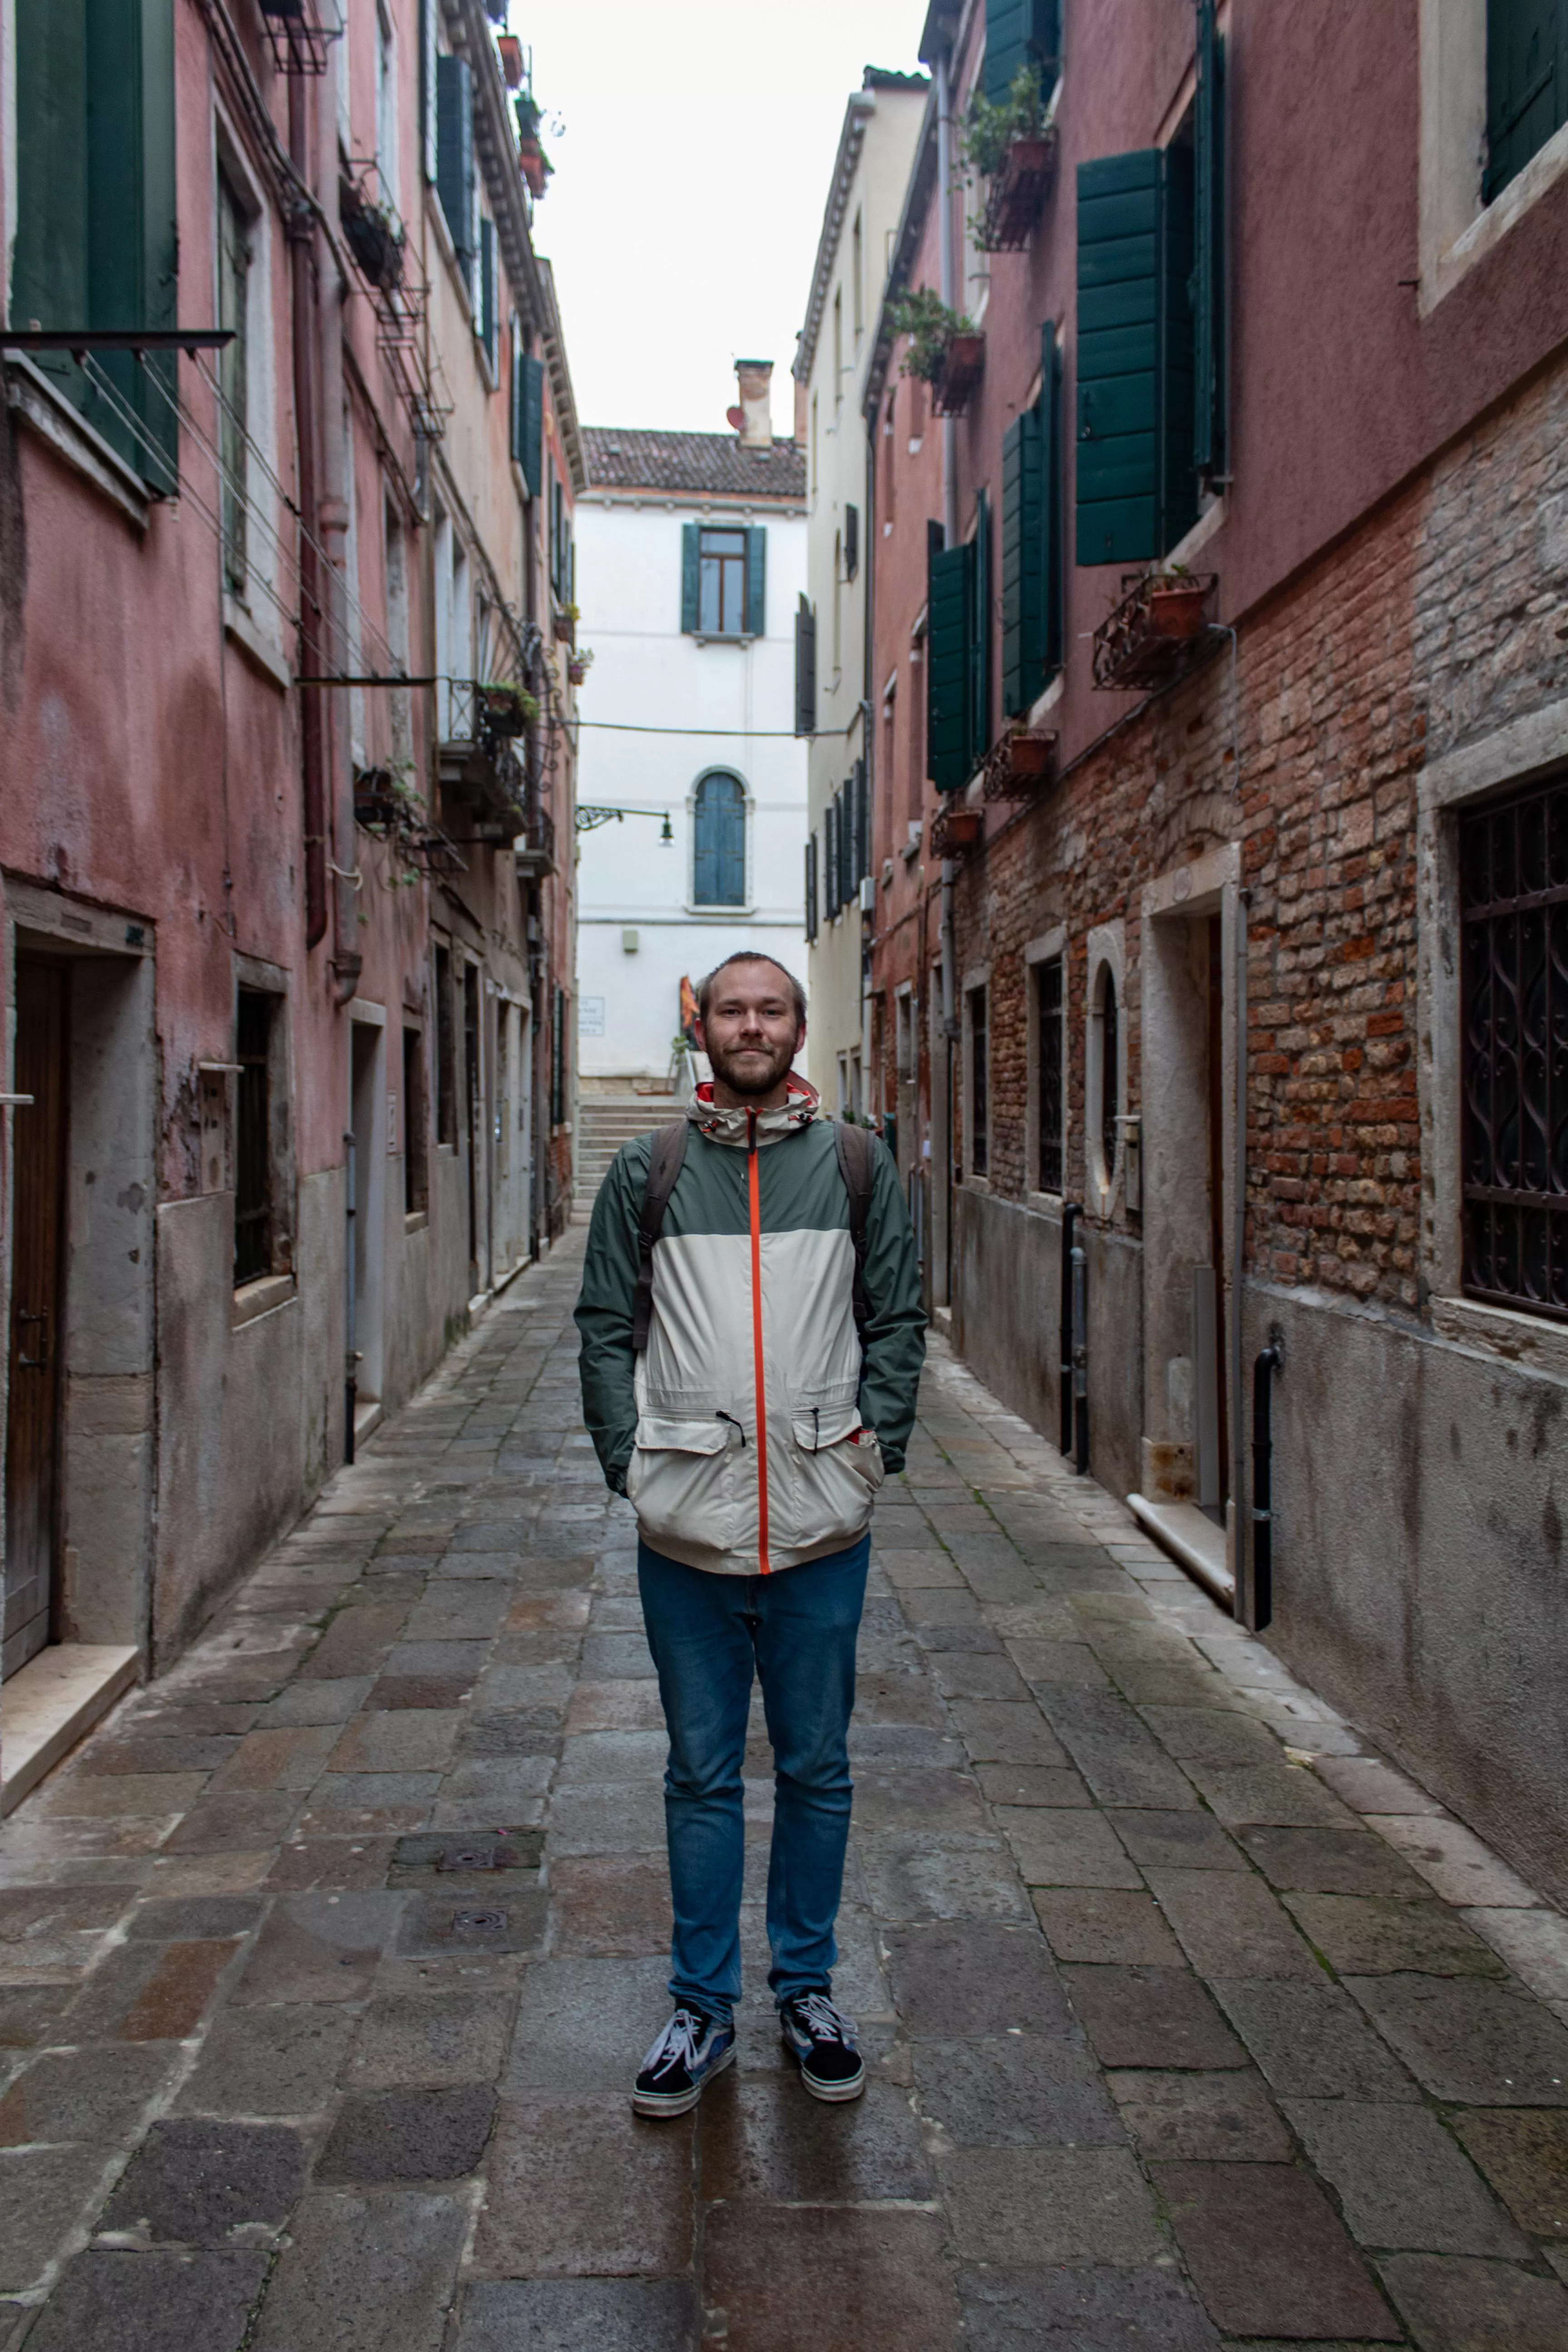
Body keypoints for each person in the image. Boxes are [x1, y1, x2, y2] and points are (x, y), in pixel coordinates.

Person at [575, 951, 925, 2117]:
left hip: (823, 1524)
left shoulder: (859, 1164)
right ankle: (701, 2007)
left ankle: (808, 1992)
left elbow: (897, 1319)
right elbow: (602, 1325)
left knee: (819, 1768)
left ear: (798, 1027)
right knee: (701, 1773)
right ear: (704, 1028)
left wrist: (877, 1449)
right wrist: (627, 1464)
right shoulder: (649, 1170)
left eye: (771, 1009)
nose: (752, 1026)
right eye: (732, 1009)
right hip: (686, 1530)